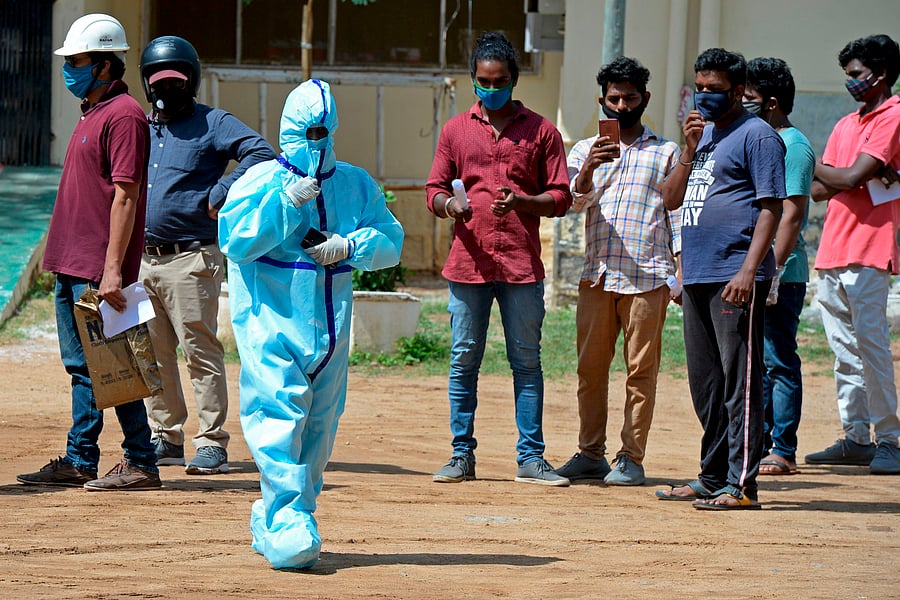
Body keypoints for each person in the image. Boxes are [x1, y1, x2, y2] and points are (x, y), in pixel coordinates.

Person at [218, 79, 403, 569]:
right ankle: (288, 521)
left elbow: (392, 240)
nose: (317, 141)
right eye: (308, 131)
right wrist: (285, 203)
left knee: (319, 432)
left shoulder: (355, 183)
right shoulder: (257, 183)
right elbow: (235, 240)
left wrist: (351, 246)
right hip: (272, 330)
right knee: (279, 422)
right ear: (289, 129)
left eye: (324, 130)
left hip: (331, 334)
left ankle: (278, 516)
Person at [16, 14, 161, 491]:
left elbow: (126, 194)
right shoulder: (91, 113)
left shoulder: (124, 116)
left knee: (113, 365)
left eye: (76, 61)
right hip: (72, 264)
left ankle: (140, 460)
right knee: (88, 367)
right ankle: (83, 458)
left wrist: (113, 271)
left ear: (104, 65)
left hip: (98, 269)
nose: (69, 70)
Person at [425, 31, 573, 487]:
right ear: (473, 80)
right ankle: (460, 456)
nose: (492, 89)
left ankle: (531, 458)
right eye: (484, 82)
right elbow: (434, 190)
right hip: (467, 264)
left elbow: (561, 196)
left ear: (515, 79)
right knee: (463, 359)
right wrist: (452, 206)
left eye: (501, 80)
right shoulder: (454, 130)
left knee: (526, 361)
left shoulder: (542, 131)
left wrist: (524, 202)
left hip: (520, 265)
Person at [138, 36, 275, 475]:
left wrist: (224, 189)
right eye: (159, 81)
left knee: (200, 352)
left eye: (175, 81)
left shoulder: (214, 122)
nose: (166, 89)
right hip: (142, 260)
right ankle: (167, 437)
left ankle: (212, 441)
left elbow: (261, 153)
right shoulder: (142, 126)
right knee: (151, 353)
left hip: (191, 258)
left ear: (191, 81)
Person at [657, 48, 785, 509]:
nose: (706, 97)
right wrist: (689, 149)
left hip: (735, 276)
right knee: (706, 384)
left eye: (716, 90)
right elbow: (671, 200)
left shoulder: (758, 136)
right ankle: (711, 476)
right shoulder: (705, 137)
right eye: (700, 89)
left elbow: (772, 207)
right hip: (697, 276)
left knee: (740, 383)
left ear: (737, 90)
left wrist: (749, 272)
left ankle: (742, 484)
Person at [558, 57, 681, 487]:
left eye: (630, 97)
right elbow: (574, 203)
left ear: (644, 99)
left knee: (640, 371)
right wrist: (590, 166)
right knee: (590, 370)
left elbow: (675, 214)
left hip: (648, 276)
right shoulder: (583, 150)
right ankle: (591, 453)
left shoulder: (666, 152)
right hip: (597, 274)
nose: (622, 105)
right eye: (614, 98)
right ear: (602, 101)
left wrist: (679, 271)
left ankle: (631, 457)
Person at [806, 34, 900, 475]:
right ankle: (857, 436)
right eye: (848, 76)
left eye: (857, 75)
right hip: (832, 249)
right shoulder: (846, 124)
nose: (851, 83)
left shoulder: (893, 115)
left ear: (881, 76)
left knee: (872, 346)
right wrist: (842, 176)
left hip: (870, 247)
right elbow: (823, 188)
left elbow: (854, 173)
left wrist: (815, 163)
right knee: (844, 351)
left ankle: (891, 439)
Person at [743, 57, 815, 477]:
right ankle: (763, 439)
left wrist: (773, 271)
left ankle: (783, 447)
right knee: (761, 362)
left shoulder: (794, 145)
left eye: (749, 98)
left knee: (779, 360)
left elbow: (790, 214)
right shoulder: (762, 140)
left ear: (771, 103)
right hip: (759, 269)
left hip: (781, 275)